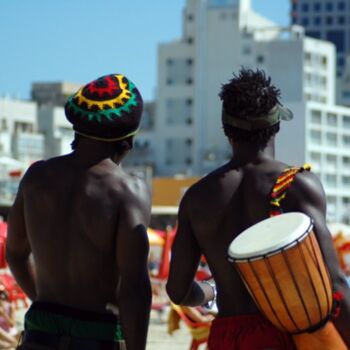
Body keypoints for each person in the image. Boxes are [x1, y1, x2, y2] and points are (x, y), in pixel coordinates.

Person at [166, 68, 350, 349]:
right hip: (283, 335)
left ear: (226, 130)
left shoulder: (197, 196)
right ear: (276, 125)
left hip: (226, 338)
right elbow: (335, 285)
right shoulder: (297, 185)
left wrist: (211, 291)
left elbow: (178, 291)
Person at [6, 74, 152, 350]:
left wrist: (43, 303)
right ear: (128, 140)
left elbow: (14, 253)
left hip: (40, 333)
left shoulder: (37, 178)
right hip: (98, 336)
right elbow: (135, 287)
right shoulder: (128, 190)